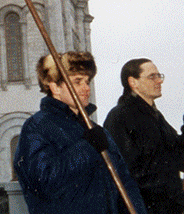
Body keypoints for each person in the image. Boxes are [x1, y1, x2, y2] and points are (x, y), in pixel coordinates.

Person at [14, 52, 147, 214]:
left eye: (87, 81)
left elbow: (125, 182)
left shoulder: (96, 131)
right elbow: (43, 181)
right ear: (55, 87)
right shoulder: (37, 127)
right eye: (77, 81)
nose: (86, 88)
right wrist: (87, 147)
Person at [104, 59, 184, 214]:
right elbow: (124, 172)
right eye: (152, 77)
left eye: (159, 76)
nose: (159, 81)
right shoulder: (120, 117)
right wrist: (169, 197)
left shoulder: (156, 117)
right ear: (133, 82)